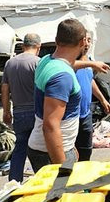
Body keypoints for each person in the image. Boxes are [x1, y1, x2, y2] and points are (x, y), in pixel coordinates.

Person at [27, 19, 86, 172]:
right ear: (83, 42)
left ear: (56, 40)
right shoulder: (62, 77)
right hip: (50, 153)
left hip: (54, 147)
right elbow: (50, 126)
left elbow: (68, 63)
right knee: (61, 196)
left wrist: (70, 147)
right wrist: (63, 168)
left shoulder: (47, 61)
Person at [1, 33, 41, 182]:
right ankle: (42, 180)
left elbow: (5, 89)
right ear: (39, 47)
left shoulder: (10, 63)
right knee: (40, 149)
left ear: (23, 46)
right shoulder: (39, 62)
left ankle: (14, 182)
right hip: (36, 112)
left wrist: (6, 111)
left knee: (20, 148)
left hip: (18, 111)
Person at [74, 31, 110, 162]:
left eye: (89, 40)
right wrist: (92, 64)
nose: (87, 44)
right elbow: (69, 66)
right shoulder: (71, 61)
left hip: (86, 113)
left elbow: (90, 80)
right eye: (84, 40)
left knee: (86, 151)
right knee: (70, 155)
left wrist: (103, 100)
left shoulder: (88, 61)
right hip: (71, 115)